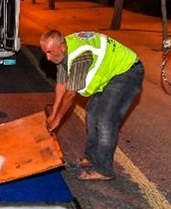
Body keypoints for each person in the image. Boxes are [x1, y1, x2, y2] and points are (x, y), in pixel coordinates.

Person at [40, 30, 144, 181]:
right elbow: (62, 84)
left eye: (50, 52)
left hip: (127, 72)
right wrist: (53, 113)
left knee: (105, 120)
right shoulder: (63, 51)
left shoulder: (80, 56)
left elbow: (71, 93)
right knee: (92, 113)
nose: (48, 58)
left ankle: (104, 170)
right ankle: (92, 157)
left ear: (61, 47)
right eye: (46, 53)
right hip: (109, 75)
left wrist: (58, 119)